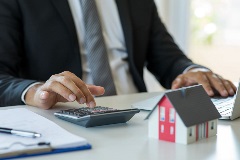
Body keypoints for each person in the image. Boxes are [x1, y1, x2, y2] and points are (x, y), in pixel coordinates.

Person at [0, 0, 236, 109]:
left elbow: (169, 60)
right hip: (64, 119)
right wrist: (35, 91)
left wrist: (193, 72)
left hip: (136, 116)